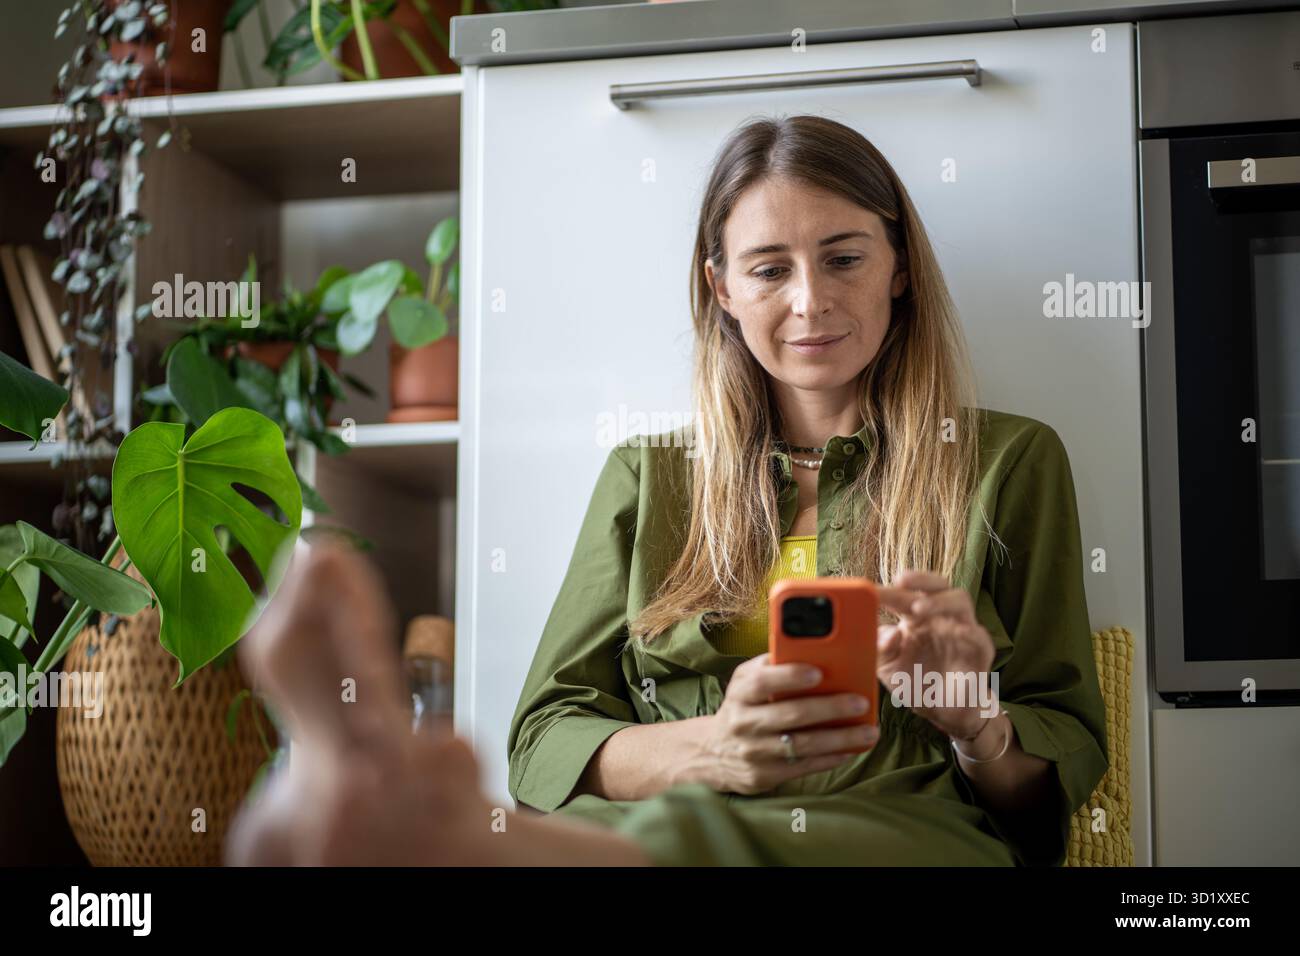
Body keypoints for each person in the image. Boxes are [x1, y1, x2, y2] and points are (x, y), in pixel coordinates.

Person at [227, 115, 1108, 867]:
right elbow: (543, 743)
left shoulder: (1009, 461)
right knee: (677, 824)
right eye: (769, 270)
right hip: (652, 820)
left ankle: (431, 834)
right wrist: (715, 751)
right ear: (721, 288)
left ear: (900, 267)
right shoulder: (649, 475)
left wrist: (974, 726)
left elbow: (1045, 807)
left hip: (892, 826)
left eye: (844, 257)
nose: (810, 301)